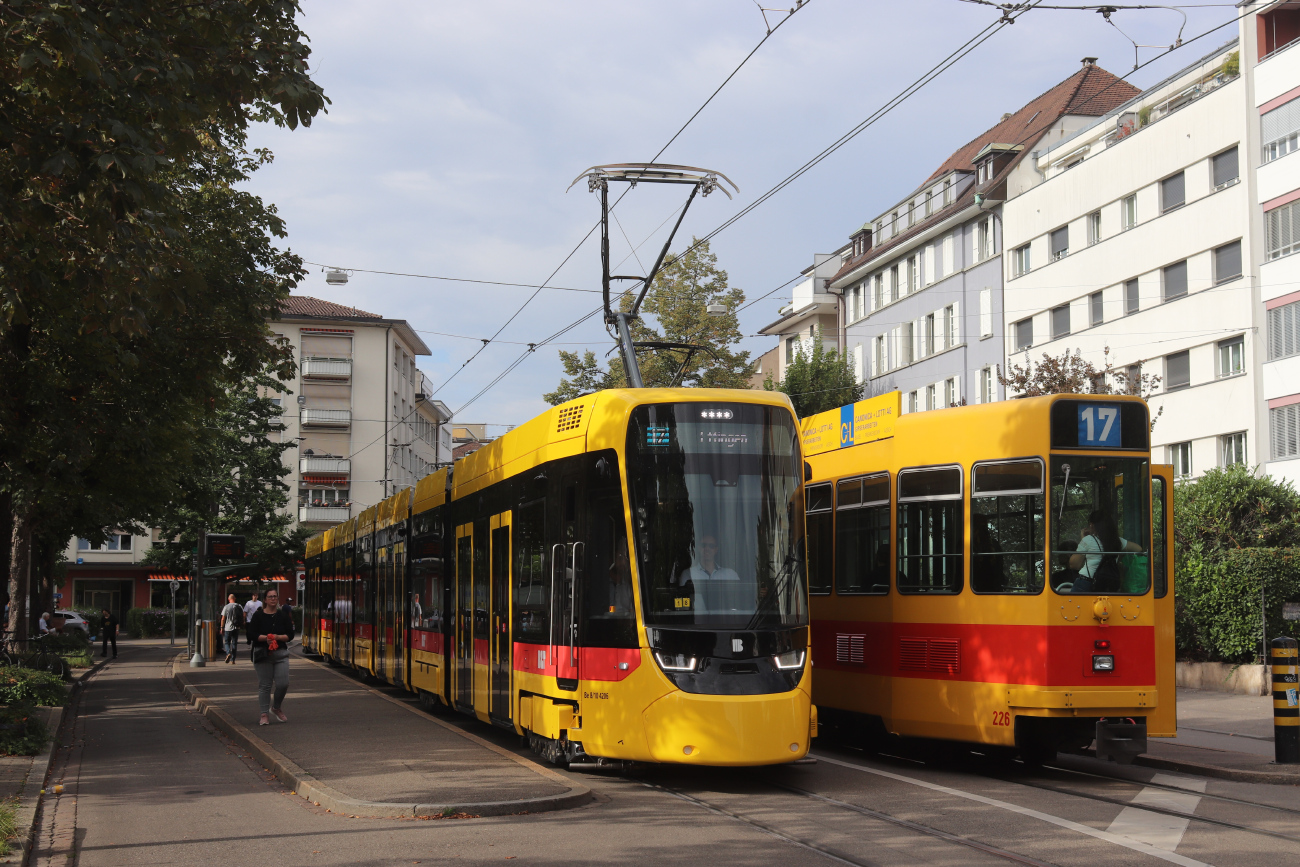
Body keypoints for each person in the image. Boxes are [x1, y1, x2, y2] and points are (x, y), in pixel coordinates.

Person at [247, 588, 294, 726]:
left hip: (280, 654)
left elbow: (290, 635)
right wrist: (265, 638)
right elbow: (251, 634)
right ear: (265, 600)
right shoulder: (258, 616)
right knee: (265, 685)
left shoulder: (283, 615)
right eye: (270, 596)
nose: (273, 599)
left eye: (275, 596)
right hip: (263, 654)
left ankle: (276, 707)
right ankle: (264, 714)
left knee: (283, 683)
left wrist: (278, 637)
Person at [1070, 510, 1142, 593]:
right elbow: (1138, 549)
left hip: (1087, 582)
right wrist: (1120, 556)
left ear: (1092, 525)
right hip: (1109, 584)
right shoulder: (1118, 541)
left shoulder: (1088, 540)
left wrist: (1083, 539)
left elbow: (1074, 564)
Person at [219, 593, 242, 664]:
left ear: (229, 599)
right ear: (235, 598)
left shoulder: (226, 607)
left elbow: (223, 618)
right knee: (234, 643)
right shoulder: (239, 606)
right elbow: (242, 616)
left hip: (228, 628)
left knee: (227, 642)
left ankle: (228, 653)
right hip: (236, 627)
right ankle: (233, 660)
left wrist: (222, 628)